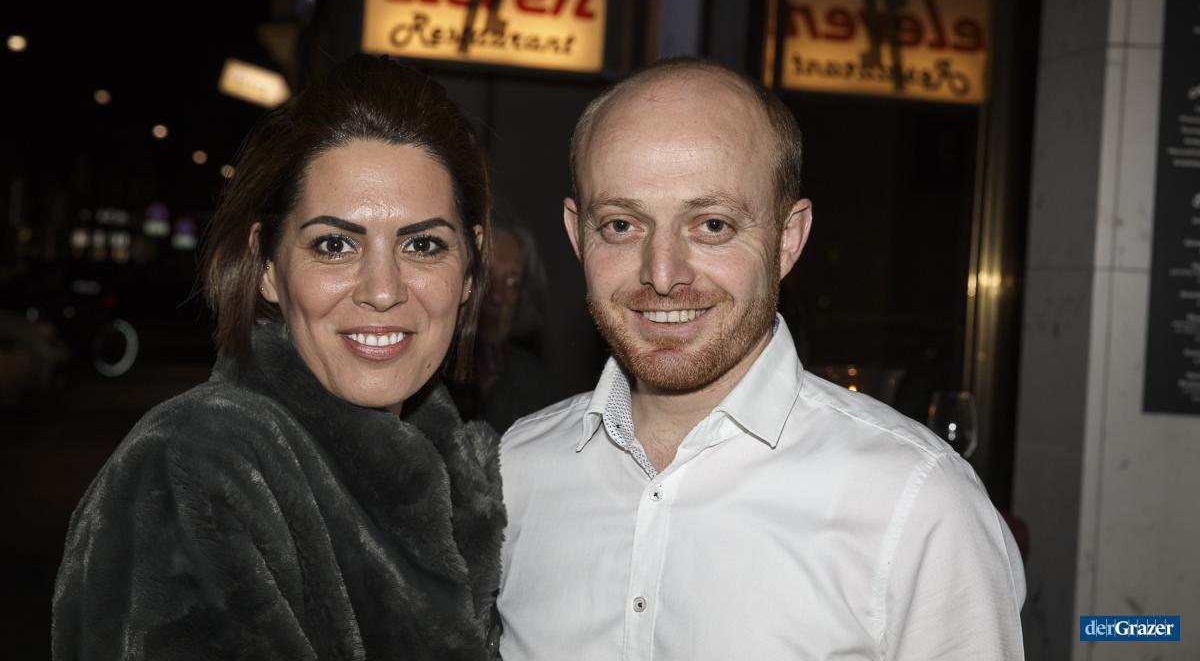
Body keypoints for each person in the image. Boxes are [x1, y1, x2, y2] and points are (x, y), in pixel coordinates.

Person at [498, 57, 1025, 660]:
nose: (662, 274)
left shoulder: (918, 504)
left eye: (712, 225)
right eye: (621, 224)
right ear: (577, 235)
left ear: (788, 239)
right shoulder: (515, 471)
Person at [53, 54, 505, 660]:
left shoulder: (470, 488)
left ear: (469, 267)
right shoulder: (196, 469)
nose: (382, 290)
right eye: (335, 245)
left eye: (423, 244)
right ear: (266, 264)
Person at [452, 203, 555, 433]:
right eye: (486, 275)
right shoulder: (427, 373)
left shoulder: (535, 384)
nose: (497, 296)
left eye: (511, 282)